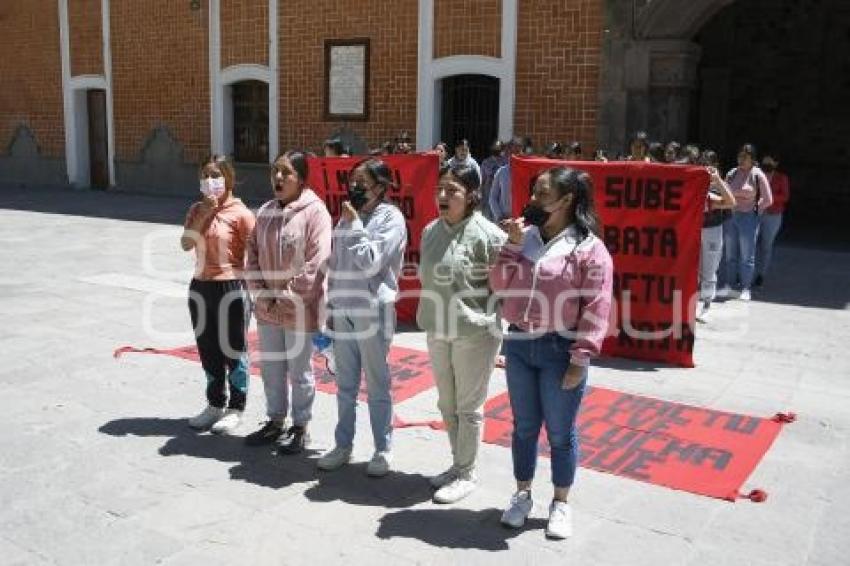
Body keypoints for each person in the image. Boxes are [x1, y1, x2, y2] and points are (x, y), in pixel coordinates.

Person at [490, 166, 613, 540]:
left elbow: (597, 306)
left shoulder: (587, 247)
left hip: (561, 348)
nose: (533, 200)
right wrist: (510, 247)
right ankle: (522, 494)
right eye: (534, 192)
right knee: (524, 427)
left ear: (566, 200)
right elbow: (497, 284)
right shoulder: (523, 237)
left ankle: (560, 503)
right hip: (519, 343)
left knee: (560, 432)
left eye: (543, 194)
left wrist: (581, 358)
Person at [418, 162, 507, 504]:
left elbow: (503, 290)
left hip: (476, 333)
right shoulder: (430, 231)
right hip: (438, 328)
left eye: (453, 190)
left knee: (469, 407)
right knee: (446, 403)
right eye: (441, 188)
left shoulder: (491, 237)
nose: (443, 196)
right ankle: (457, 464)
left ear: (471, 196)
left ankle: (467, 473)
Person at [318, 159, 407, 477]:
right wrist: (331, 306)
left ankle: (382, 448)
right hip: (344, 309)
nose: (354, 188)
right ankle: (343, 444)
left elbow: (371, 262)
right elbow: (339, 264)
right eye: (351, 182)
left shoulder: (391, 219)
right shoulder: (346, 218)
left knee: (377, 383)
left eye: (361, 183)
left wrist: (354, 224)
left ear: (381, 187)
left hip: (372, 310)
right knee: (344, 384)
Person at [243, 151, 332, 452]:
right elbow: (251, 253)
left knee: (300, 370)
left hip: (299, 309)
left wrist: (286, 296)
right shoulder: (266, 210)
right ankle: (275, 420)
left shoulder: (315, 212)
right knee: (271, 368)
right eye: (275, 172)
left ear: (302, 179)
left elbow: (317, 263)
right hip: (267, 308)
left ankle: (300, 426)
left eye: (286, 172)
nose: (278, 178)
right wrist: (263, 293)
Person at [181, 155, 255, 434]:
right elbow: (186, 243)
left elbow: (255, 255)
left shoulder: (241, 214)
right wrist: (203, 213)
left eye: (215, 175)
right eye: (204, 176)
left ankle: (236, 407)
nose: (209, 181)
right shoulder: (196, 209)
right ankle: (215, 403)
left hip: (230, 287)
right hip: (200, 287)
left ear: (228, 179)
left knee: (233, 348)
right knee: (207, 347)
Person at [721, 143, 773, 301]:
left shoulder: (758, 175)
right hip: (731, 216)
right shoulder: (732, 173)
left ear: (752, 159)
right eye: (740, 156)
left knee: (747, 256)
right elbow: (723, 191)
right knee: (730, 254)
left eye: (745, 157)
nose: (741, 159)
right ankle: (730, 285)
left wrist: (755, 210)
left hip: (749, 218)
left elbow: (768, 199)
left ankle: (745, 288)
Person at [697, 151, 736, 322]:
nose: (705, 167)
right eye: (702, 163)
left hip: (712, 230)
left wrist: (717, 180)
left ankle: (706, 304)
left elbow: (731, 202)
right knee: (694, 268)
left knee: (709, 269)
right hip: (695, 230)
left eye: (709, 164)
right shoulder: (694, 183)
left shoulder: (719, 185)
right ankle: (693, 302)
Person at [754, 153, 790, 288]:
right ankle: (747, 273)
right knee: (750, 244)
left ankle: (761, 274)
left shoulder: (781, 178)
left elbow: (785, 196)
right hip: (756, 213)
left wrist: (768, 197)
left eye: (770, 163)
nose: (767, 166)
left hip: (773, 215)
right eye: (765, 163)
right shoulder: (756, 175)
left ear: (776, 164)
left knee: (766, 246)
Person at [488, 136, 524, 222]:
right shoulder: (501, 172)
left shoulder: (528, 173)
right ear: (508, 153)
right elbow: (493, 197)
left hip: (522, 221)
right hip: (503, 221)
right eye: (512, 151)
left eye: (518, 151)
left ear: (522, 152)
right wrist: (500, 217)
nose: (515, 155)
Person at [479, 140, 506, 220]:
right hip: (487, 194)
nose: (496, 151)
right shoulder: (486, 162)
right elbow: (482, 180)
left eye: (498, 149)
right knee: (486, 220)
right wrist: (480, 194)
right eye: (494, 148)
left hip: (501, 195)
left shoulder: (506, 163)